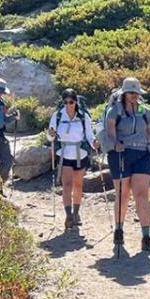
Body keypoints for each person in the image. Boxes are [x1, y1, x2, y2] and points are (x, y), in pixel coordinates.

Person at [103, 77, 150, 251]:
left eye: (137, 93)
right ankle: (119, 229)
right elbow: (110, 133)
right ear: (124, 93)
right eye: (131, 92)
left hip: (142, 154)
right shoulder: (114, 111)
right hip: (120, 155)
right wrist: (115, 144)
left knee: (142, 194)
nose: (135, 96)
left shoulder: (145, 111)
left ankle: (146, 236)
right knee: (123, 194)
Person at [48, 89, 96, 229]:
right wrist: (50, 134)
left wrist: (94, 143)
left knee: (78, 185)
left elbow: (89, 135)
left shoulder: (83, 117)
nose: (68, 105)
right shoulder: (57, 116)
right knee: (67, 185)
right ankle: (69, 215)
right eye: (66, 102)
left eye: (71, 102)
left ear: (76, 102)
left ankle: (76, 213)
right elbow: (51, 138)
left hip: (80, 154)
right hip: (64, 154)